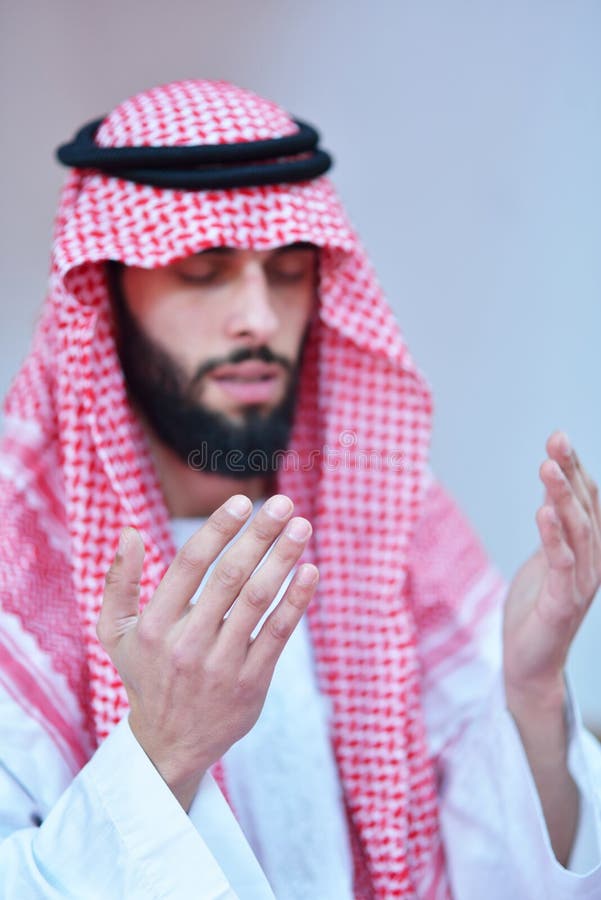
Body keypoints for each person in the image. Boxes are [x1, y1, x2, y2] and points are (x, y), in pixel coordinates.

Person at [0, 79, 599, 900]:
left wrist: (532, 691)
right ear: (104, 294)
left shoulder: (393, 531)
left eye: (286, 272)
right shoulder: (16, 571)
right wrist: (163, 750)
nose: (257, 315)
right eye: (202, 271)